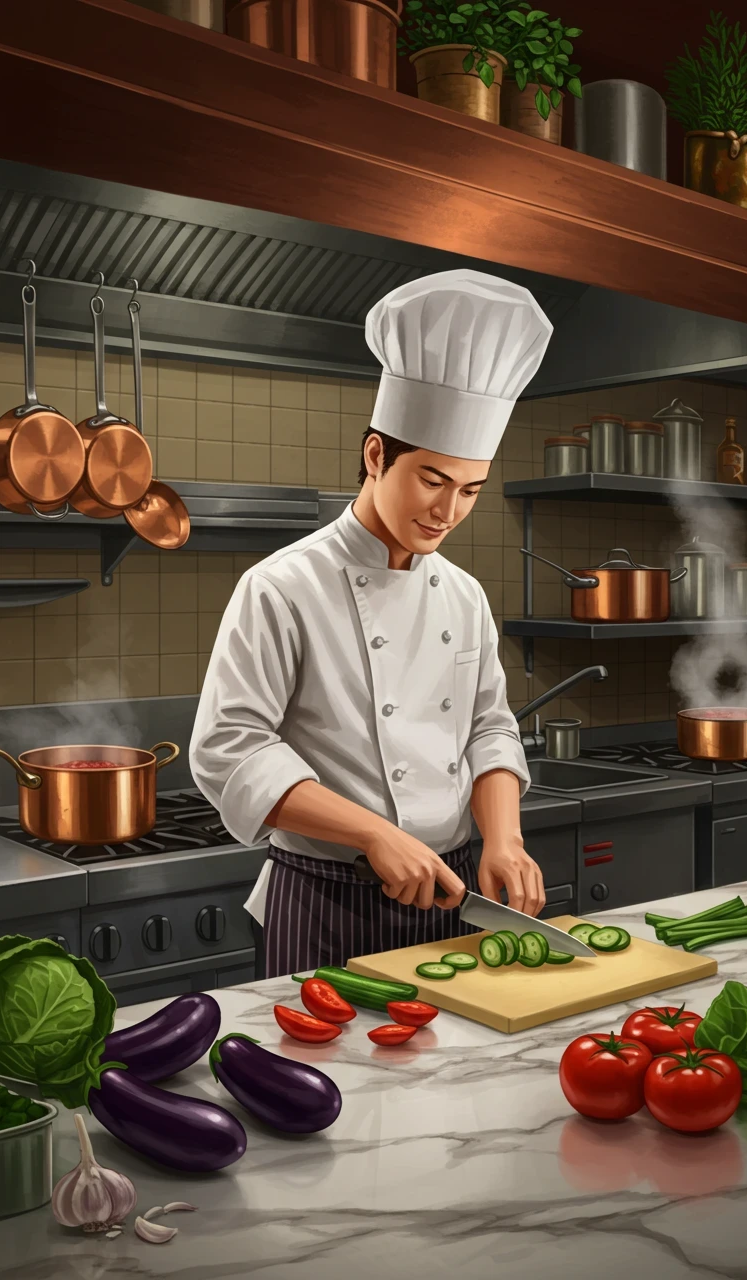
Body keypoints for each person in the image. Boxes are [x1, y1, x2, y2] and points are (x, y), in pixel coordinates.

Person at [190, 268, 553, 977]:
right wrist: (372, 834)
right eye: (433, 480)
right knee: (321, 1084)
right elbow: (229, 748)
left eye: (470, 490)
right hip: (325, 897)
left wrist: (502, 838)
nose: (448, 512)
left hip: (449, 892)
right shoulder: (281, 586)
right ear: (375, 454)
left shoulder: (464, 595)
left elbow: (489, 726)